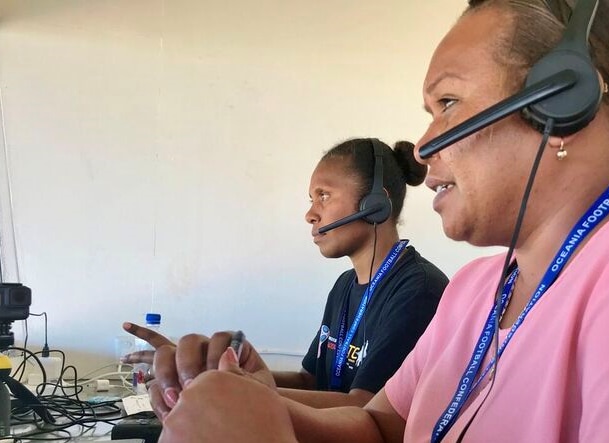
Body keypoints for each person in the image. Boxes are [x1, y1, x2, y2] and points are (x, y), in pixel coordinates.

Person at [152, 1, 609, 442]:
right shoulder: (479, 289)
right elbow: (382, 428)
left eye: (448, 103)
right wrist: (257, 406)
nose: (424, 147)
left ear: (563, 99)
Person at [123, 137, 448, 411]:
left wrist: (229, 392)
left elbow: (361, 408)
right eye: (311, 199)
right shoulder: (345, 286)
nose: (310, 213)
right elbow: (311, 381)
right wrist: (211, 371)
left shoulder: (417, 291)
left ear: (376, 204)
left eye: (324, 195)